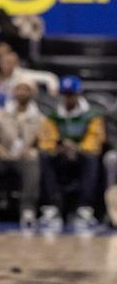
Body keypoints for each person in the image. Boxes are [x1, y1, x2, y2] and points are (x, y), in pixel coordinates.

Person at [38, 76, 105, 231]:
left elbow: (96, 138)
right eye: (65, 94)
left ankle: (84, 209)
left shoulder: (92, 115)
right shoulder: (52, 116)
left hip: (82, 155)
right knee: (44, 156)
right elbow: (46, 140)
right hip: (60, 155)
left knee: (91, 158)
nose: (68, 98)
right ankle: (52, 208)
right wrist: (59, 148)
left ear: (78, 94)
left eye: (71, 94)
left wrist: (77, 148)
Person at [0, 81, 44, 229]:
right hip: (1, 156)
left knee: (34, 160)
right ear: (13, 92)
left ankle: (28, 208)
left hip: (24, 158)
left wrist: (32, 150)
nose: (22, 92)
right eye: (19, 89)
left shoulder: (40, 118)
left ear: (32, 93)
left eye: (26, 89)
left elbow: (44, 142)